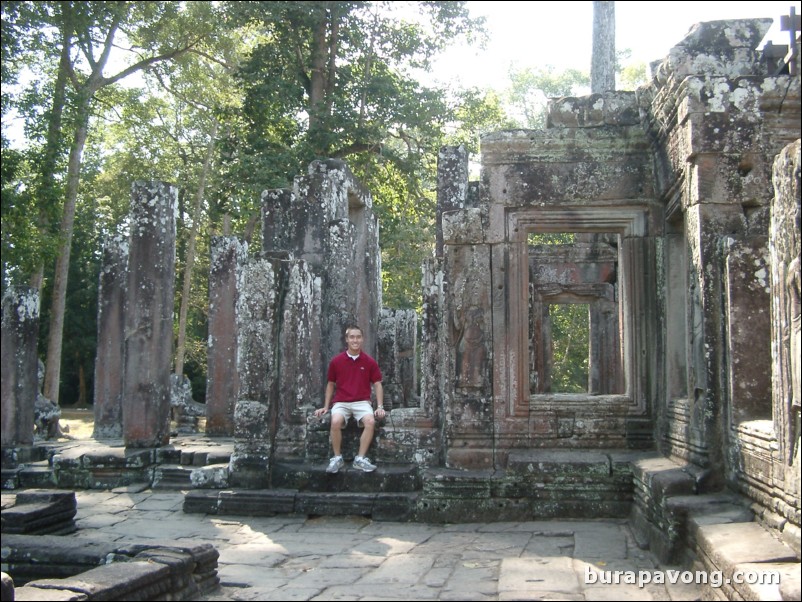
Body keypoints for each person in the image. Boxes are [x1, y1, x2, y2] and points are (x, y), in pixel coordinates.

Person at [314, 325, 385, 473]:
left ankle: (360, 458)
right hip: (341, 402)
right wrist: (326, 407)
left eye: (358, 337)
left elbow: (377, 384)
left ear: (362, 339)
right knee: (335, 421)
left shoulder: (369, 361)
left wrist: (380, 406)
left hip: (362, 402)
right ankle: (337, 458)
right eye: (352, 337)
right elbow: (330, 384)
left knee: (370, 421)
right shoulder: (336, 361)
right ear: (346, 339)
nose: (355, 340)